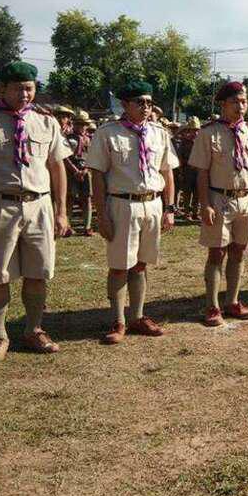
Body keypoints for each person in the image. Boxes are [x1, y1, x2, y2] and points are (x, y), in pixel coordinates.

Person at [0, 61, 71, 363]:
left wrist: (62, 211)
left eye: (29, 88)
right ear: (2, 89)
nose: (24, 94)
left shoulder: (46, 122)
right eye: (18, 88)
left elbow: (57, 167)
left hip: (39, 206)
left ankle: (33, 329)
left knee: (38, 272)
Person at [85, 80, 179, 345]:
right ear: (125, 104)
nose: (146, 107)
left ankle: (137, 316)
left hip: (152, 203)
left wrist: (170, 208)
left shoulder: (159, 133)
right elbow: (97, 175)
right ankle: (118, 320)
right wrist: (102, 214)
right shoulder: (108, 133)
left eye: (149, 102)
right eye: (139, 102)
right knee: (119, 266)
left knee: (141, 264)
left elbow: (167, 172)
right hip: (122, 204)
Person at [189, 82, 248, 327]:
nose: (240, 106)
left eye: (244, 101)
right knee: (217, 252)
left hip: (247, 199)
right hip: (219, 199)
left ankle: (232, 300)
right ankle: (212, 306)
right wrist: (205, 204)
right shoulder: (208, 133)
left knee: (239, 251)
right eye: (235, 102)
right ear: (223, 104)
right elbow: (202, 172)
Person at [63, 110, 95, 236]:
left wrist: (86, 169)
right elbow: (65, 157)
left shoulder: (89, 139)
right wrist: (75, 171)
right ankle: (67, 226)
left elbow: (92, 156)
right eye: (79, 124)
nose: (82, 127)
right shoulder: (68, 138)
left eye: (84, 124)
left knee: (87, 198)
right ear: (74, 124)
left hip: (86, 171)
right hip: (72, 171)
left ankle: (87, 226)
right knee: (70, 198)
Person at [177, 116, 201, 220]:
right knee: (187, 193)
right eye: (193, 130)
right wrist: (181, 171)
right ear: (189, 130)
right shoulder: (184, 142)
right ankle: (187, 213)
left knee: (197, 193)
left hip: (199, 170)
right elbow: (180, 157)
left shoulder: (201, 141)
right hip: (187, 170)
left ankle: (195, 212)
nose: (195, 132)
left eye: (196, 130)